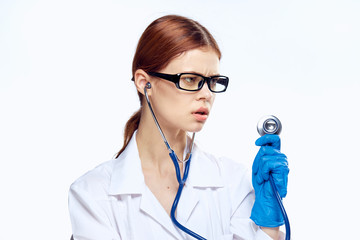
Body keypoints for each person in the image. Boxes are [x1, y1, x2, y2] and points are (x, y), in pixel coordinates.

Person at [68, 15, 289, 240]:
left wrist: (268, 227)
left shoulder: (233, 183)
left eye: (213, 81)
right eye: (191, 79)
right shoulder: (93, 194)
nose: (207, 94)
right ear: (145, 83)